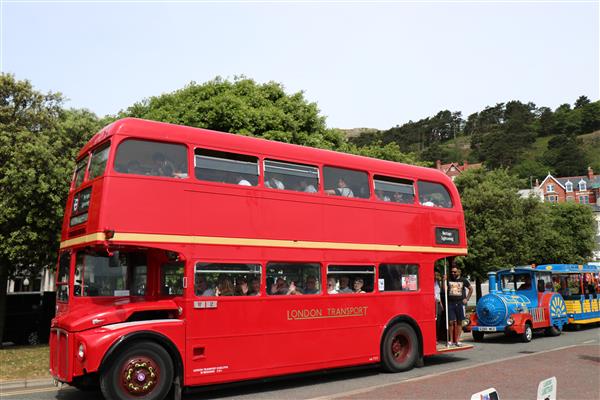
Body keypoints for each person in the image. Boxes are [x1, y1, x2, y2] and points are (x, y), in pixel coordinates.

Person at [445, 265, 472, 346]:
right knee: (451, 322)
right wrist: (444, 280)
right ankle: (450, 340)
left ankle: (458, 340)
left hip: (460, 303)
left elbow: (471, 289)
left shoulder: (463, 280)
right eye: (452, 272)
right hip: (451, 303)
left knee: (459, 322)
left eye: (455, 272)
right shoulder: (448, 280)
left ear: (458, 272)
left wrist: (467, 299)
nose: (453, 273)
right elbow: (444, 289)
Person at [434, 271, 445, 342]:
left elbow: (439, 294)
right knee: (435, 320)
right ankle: (435, 337)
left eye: (438, 275)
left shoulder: (438, 283)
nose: (437, 277)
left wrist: (441, 303)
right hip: (434, 303)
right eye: (436, 275)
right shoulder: (430, 283)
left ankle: (437, 336)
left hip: (438, 303)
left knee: (439, 320)